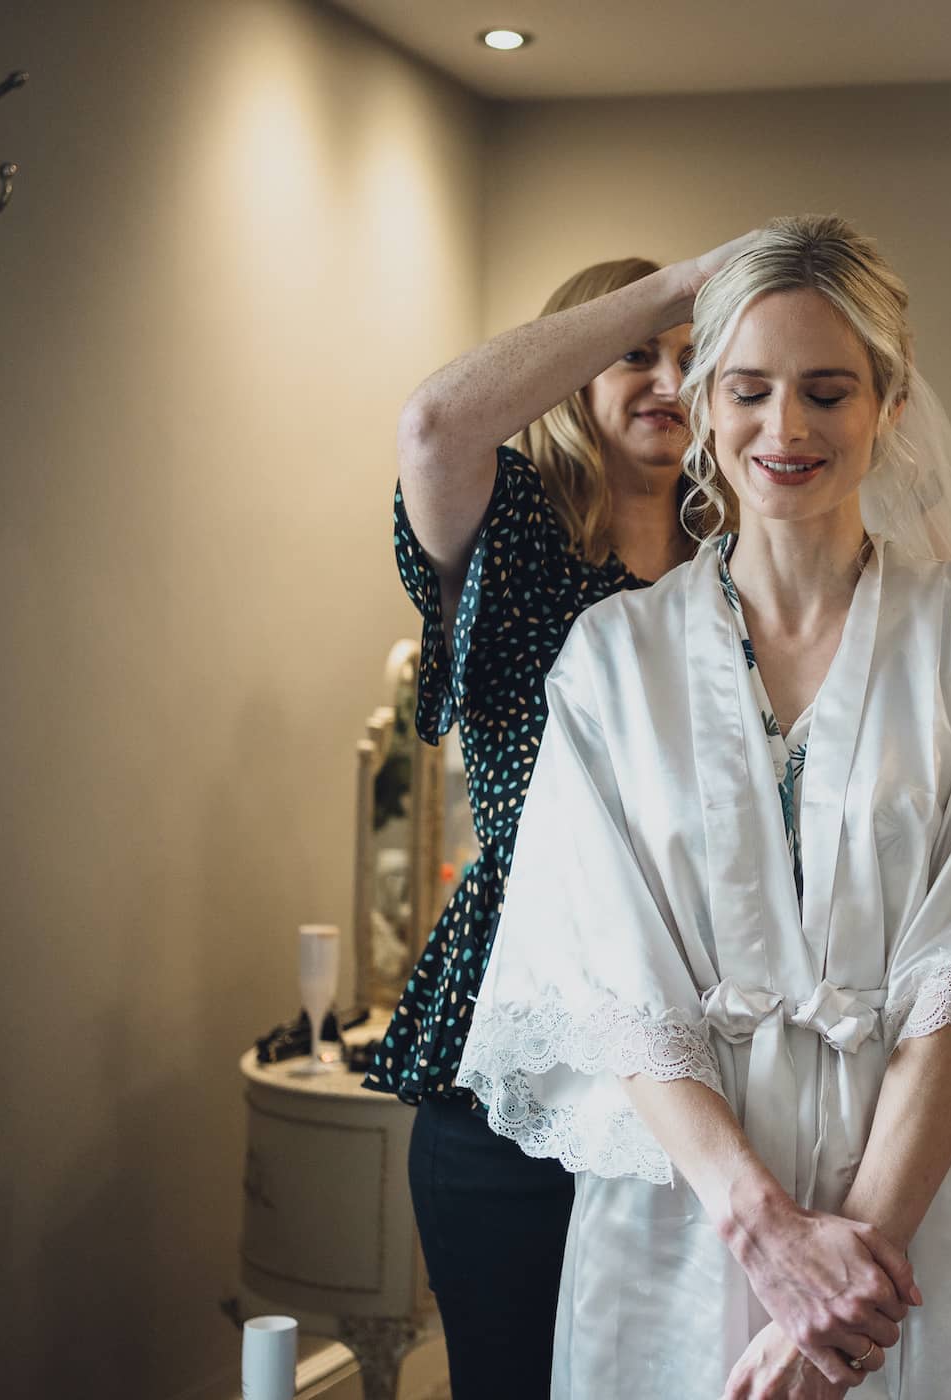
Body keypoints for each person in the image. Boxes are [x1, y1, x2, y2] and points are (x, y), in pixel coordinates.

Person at [455, 216, 951, 1400]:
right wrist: (768, 1232)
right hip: (678, 1212)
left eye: (827, 391)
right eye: (750, 390)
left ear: (888, 405)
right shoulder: (610, 663)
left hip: (912, 1222)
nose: (784, 429)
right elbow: (615, 977)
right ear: (705, 406)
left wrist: (850, 1277)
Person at [362, 250, 726, 1395]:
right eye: (636, 355)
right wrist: (683, 286)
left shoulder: (739, 566)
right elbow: (433, 424)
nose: (670, 377)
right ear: (576, 370)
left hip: (695, 1043)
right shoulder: (513, 533)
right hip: (515, 1041)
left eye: (694, 357)